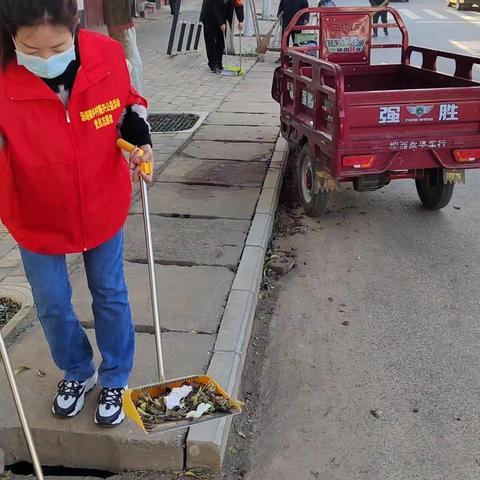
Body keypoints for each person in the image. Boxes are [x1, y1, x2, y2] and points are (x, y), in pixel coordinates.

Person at [0, 0, 153, 427]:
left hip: (101, 202)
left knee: (109, 292)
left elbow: (128, 105)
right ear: (11, 37)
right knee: (51, 302)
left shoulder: (105, 55)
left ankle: (116, 376)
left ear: (76, 28)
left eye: (57, 47)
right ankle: (77, 370)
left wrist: (140, 138)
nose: (45, 59)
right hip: (34, 211)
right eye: (31, 48)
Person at [200, 0, 244, 73]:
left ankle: (219, 63)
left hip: (222, 14)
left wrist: (241, 20)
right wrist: (220, 22)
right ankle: (212, 64)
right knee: (211, 42)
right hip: (209, 14)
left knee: (221, 41)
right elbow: (213, 7)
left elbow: (238, 4)